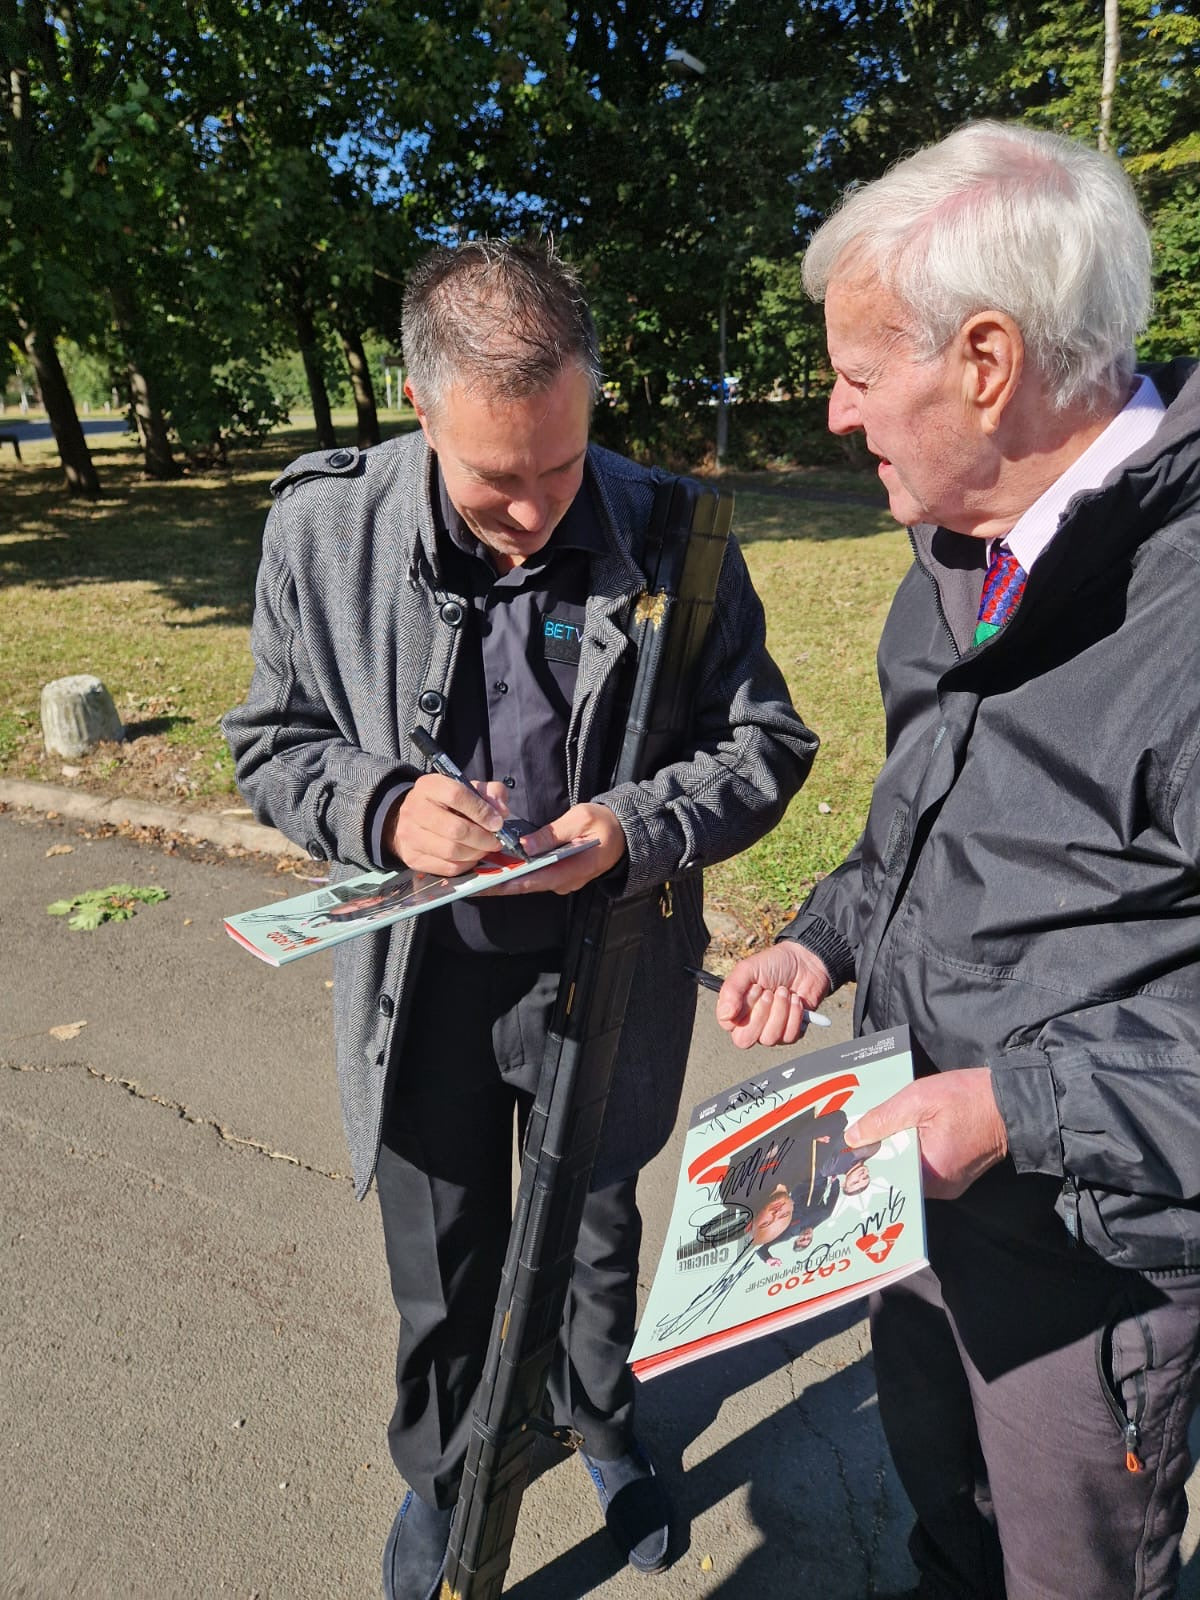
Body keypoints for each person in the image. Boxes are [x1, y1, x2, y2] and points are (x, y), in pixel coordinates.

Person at [224, 237, 816, 1598]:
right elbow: (269, 741)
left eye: (565, 467)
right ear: (419, 406)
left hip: (609, 969)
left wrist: (624, 828)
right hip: (422, 980)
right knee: (443, 1265)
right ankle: (448, 1479)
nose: (542, 512)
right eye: (501, 480)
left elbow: (764, 745)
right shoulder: (322, 531)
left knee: (596, 1233)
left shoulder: (675, 527)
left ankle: (599, 1425)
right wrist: (380, 809)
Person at [715, 121, 1200, 1600]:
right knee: (947, 1528)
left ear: (986, 362)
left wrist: (1020, 1105)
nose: (836, 413)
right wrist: (827, 936)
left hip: (1089, 1250)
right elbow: (925, 824)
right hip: (912, 1171)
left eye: (860, 374)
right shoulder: (961, 543)